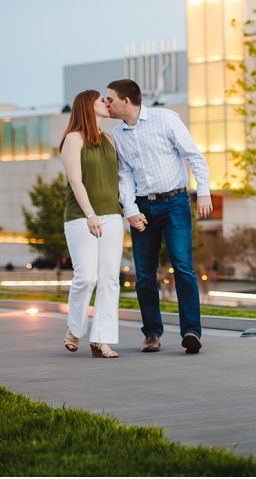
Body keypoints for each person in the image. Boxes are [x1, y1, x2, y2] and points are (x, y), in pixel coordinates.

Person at [106, 79, 212, 355]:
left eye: (110, 99)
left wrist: (203, 192)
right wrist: (129, 210)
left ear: (126, 100)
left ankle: (191, 331)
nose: (107, 104)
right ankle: (151, 334)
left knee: (183, 267)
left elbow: (194, 156)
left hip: (175, 202)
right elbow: (124, 175)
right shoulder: (117, 134)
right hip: (142, 207)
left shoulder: (165, 119)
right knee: (144, 275)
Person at [59, 89, 125, 359]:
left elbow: (117, 179)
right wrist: (90, 214)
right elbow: (76, 180)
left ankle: (102, 340)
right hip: (81, 216)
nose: (107, 104)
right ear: (89, 106)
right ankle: (74, 329)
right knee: (86, 277)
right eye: (102, 100)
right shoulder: (73, 139)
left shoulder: (110, 139)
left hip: (112, 215)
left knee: (110, 279)